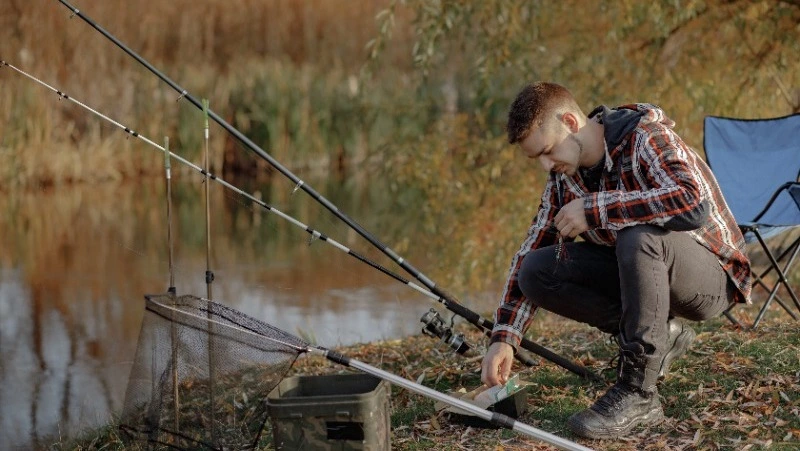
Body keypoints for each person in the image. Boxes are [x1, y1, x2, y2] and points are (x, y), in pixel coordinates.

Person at [480, 82, 752, 440]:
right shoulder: (564, 179)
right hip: (645, 270)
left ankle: (639, 392)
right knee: (537, 270)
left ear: (571, 122)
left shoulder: (646, 137)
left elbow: (692, 204)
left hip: (710, 276)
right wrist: (504, 337)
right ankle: (660, 337)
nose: (547, 165)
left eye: (548, 151)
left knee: (637, 234)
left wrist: (597, 209)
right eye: (538, 159)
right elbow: (531, 248)